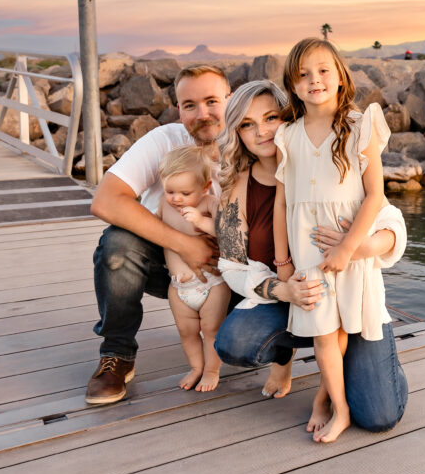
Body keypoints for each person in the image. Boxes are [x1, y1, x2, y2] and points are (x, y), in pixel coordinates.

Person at [213, 77, 408, 436]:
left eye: (271, 118)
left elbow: (391, 223)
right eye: (247, 124)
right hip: (289, 294)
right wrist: (280, 289)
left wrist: (353, 247)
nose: (262, 132)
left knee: (379, 415)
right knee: (235, 342)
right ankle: (288, 357)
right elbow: (231, 264)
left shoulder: (329, 158)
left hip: (346, 289)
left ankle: (367, 368)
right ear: (237, 133)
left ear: (289, 118)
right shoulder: (235, 187)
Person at [86, 64, 229, 405]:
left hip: (233, 273)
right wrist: (184, 244)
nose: (202, 114)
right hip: (170, 266)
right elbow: (105, 200)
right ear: (178, 108)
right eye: (189, 105)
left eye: (212, 101)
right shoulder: (165, 141)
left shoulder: (253, 142)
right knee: (117, 245)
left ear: (231, 99)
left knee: (244, 347)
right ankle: (117, 356)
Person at [273, 37, 391, 443]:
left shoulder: (360, 125)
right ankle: (340, 409)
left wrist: (346, 247)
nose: (314, 80)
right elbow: (282, 201)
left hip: (348, 246)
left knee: (341, 331)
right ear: (292, 84)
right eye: (303, 74)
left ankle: (324, 397)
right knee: (324, 331)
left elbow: (375, 196)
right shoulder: (287, 134)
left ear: (341, 76)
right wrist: (282, 261)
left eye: (323, 70)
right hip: (307, 248)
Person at [157, 145, 230, 391]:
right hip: (179, 286)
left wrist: (201, 222)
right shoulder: (164, 205)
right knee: (186, 331)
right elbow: (154, 229)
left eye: (185, 193)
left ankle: (211, 370)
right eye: (170, 191)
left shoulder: (210, 204)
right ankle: (196, 367)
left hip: (212, 285)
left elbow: (227, 233)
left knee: (211, 330)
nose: (177, 199)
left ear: (205, 187)